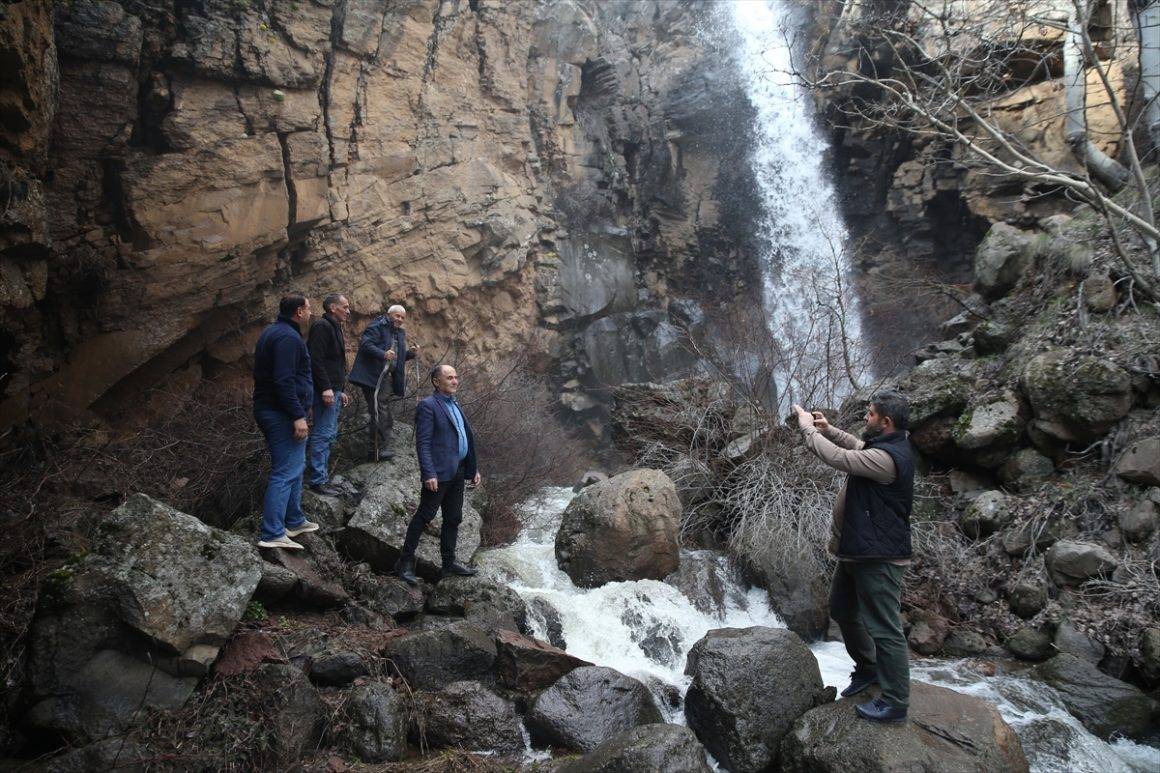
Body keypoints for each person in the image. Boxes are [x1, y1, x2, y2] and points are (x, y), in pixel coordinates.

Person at [792, 392, 914, 724]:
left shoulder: (888, 459)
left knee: (885, 629)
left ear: (885, 422)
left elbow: (839, 458)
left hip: (878, 557)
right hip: (859, 551)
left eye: (870, 415)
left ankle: (895, 701)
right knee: (842, 609)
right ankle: (869, 668)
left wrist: (808, 430)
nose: (865, 417)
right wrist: (828, 428)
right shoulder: (885, 446)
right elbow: (854, 447)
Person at [394, 364, 481, 585]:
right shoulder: (428, 406)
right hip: (438, 474)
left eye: (456, 377)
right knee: (424, 516)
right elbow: (422, 443)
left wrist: (473, 469)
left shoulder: (455, 405)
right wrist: (428, 473)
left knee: (453, 518)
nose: (455, 381)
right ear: (436, 381)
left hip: (458, 471)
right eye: (449, 377)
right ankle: (403, 564)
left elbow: (465, 439)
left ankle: (448, 563)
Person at [252, 294, 321, 550]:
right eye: (309, 308)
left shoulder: (274, 332)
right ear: (299, 312)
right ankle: (272, 533)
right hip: (280, 413)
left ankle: (293, 520)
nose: (311, 312)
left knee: (296, 465)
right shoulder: (288, 338)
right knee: (285, 470)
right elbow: (284, 380)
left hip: (274, 409)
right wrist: (297, 415)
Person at [347, 304, 419, 461]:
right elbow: (366, 345)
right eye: (397, 315)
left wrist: (410, 354)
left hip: (385, 377)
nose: (399, 319)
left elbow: (396, 357)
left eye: (402, 317)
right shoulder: (378, 325)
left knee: (381, 410)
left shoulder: (399, 333)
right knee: (380, 410)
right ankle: (378, 449)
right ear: (389, 314)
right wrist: (383, 354)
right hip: (372, 375)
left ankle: (379, 449)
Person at [306, 293, 352, 496]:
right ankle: (317, 481)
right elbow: (315, 359)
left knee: (328, 434)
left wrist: (338, 389)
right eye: (345, 307)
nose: (348, 311)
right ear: (333, 308)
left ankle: (321, 478)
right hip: (324, 390)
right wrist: (326, 388)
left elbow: (333, 363)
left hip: (333, 390)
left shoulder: (334, 327)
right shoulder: (322, 327)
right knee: (322, 434)